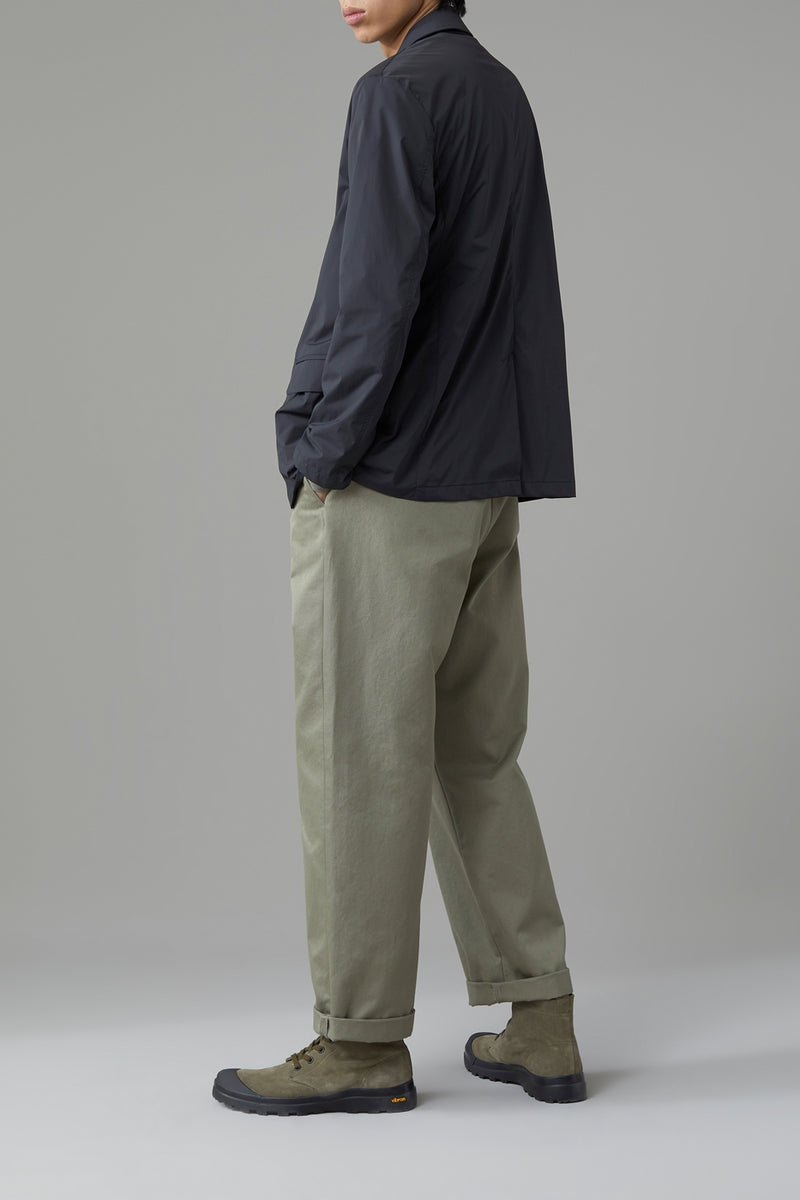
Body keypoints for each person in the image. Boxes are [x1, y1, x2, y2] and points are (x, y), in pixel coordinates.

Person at [213, 0, 587, 1116]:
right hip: (485, 478)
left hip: (389, 482)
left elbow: (373, 289)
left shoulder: (396, 94)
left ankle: (359, 1043)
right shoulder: (499, 91)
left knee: (359, 762)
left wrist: (319, 447)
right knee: (475, 754)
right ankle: (542, 1019)